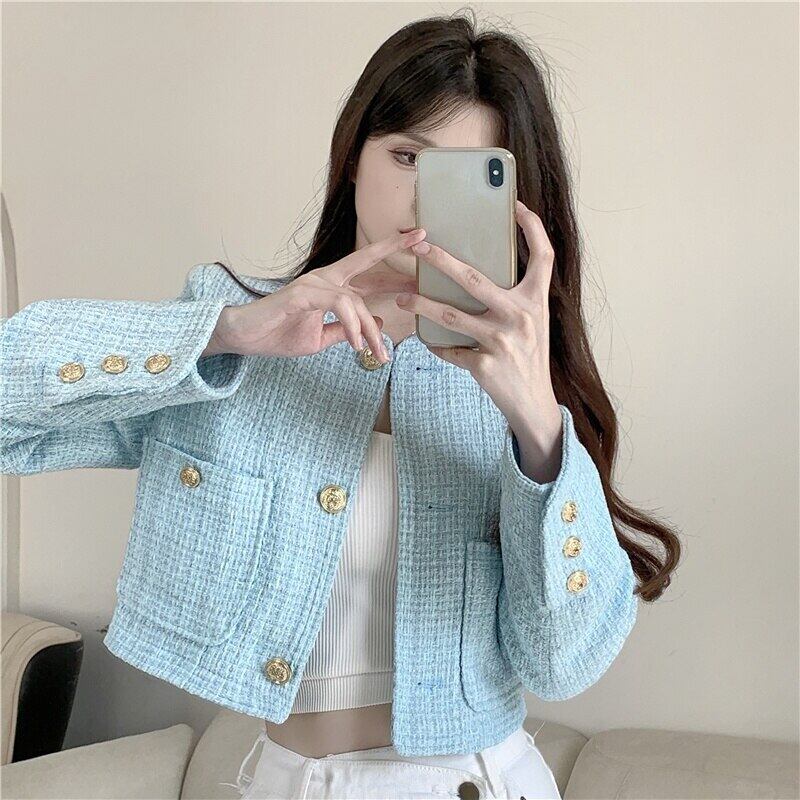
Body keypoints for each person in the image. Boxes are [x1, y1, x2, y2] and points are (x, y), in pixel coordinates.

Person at [1, 9, 680, 800]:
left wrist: (535, 421)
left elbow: (564, 663)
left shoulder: (525, 376)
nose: (425, 201)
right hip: (282, 780)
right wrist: (228, 332)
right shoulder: (236, 337)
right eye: (406, 156)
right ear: (352, 159)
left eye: (466, 175)